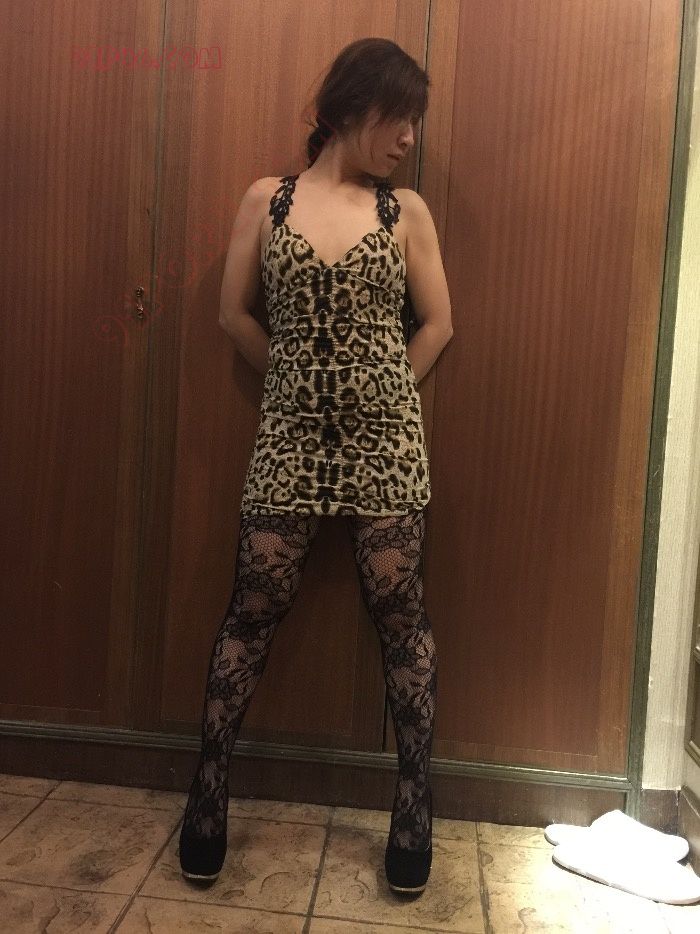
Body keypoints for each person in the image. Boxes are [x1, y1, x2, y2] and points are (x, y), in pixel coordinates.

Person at [179, 37, 454, 896]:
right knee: (251, 611)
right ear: (349, 106)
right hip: (289, 440)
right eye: (399, 117)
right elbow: (233, 315)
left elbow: (439, 323)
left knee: (401, 619)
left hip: (386, 446)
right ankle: (207, 794)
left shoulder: (405, 212)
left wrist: (383, 391)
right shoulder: (267, 199)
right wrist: (299, 383)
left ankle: (415, 805)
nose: (409, 138)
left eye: (415, 122)